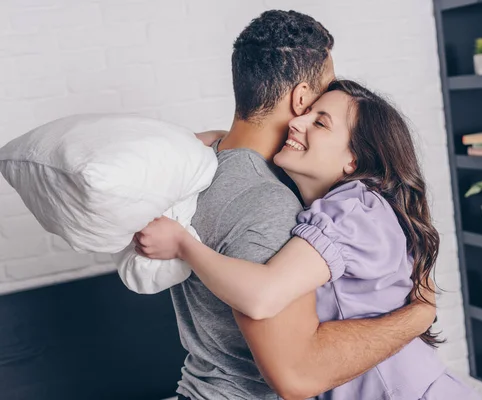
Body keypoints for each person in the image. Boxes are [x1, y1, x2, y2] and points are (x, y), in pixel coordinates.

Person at [138, 10, 438, 400]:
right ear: (301, 100)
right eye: (325, 91)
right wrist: (418, 315)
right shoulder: (270, 204)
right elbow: (296, 376)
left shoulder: (194, 164)